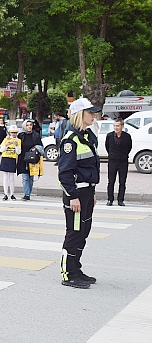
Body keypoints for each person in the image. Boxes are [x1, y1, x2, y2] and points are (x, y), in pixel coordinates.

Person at [58, 98, 101, 289]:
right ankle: (68, 273)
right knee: (74, 234)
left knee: (83, 232)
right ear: (79, 115)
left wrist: (91, 191)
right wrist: (73, 196)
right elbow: (65, 172)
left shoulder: (87, 136)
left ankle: (76, 268)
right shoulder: (70, 140)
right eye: (90, 112)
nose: (93, 115)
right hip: (75, 194)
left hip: (87, 191)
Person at [105, 118, 132, 206]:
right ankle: (110, 199)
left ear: (122, 126)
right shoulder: (109, 136)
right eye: (114, 126)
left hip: (123, 162)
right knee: (111, 181)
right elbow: (107, 147)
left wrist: (123, 155)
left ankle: (120, 200)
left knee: (122, 182)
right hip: (112, 161)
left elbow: (129, 147)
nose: (116, 128)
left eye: (118, 126)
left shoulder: (127, 136)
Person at [16, 119, 43, 201]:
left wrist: (36, 149)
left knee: (31, 178)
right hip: (23, 159)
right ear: (24, 126)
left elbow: (41, 146)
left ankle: (28, 193)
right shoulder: (21, 135)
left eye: (30, 125)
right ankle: (26, 194)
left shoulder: (36, 135)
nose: (29, 127)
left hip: (32, 159)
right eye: (27, 125)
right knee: (25, 178)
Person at [0, 125, 21, 201]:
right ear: (9, 132)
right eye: (12, 132)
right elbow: (1, 150)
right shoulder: (6, 139)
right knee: (5, 177)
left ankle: (12, 194)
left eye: (15, 132)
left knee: (11, 177)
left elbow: (19, 152)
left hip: (12, 159)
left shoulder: (18, 141)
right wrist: (6, 144)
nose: (13, 134)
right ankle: (5, 193)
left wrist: (16, 146)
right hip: (5, 158)